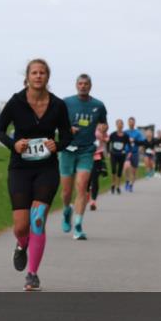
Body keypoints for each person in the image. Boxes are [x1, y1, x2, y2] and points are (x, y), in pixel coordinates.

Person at [0, 59, 73, 291]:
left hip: (46, 169)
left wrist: (56, 145)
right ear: (27, 76)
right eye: (34, 72)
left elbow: (68, 136)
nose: (38, 76)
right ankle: (21, 244)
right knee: (21, 226)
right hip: (20, 168)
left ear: (48, 77)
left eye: (42, 73)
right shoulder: (17, 102)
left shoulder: (58, 105)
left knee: (37, 220)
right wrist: (14, 144)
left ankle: (32, 274)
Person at [58, 74, 107, 240]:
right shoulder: (66, 103)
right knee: (66, 191)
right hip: (67, 150)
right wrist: (67, 129)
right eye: (80, 83)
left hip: (86, 151)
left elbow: (104, 123)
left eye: (86, 84)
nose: (83, 86)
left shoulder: (98, 105)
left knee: (82, 186)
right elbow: (56, 123)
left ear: (90, 86)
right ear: (76, 85)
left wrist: (103, 127)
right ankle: (66, 210)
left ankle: (78, 225)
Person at [106, 119, 132, 194]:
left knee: (119, 171)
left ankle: (118, 186)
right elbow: (108, 143)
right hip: (113, 154)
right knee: (114, 170)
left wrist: (129, 152)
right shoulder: (113, 134)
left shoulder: (126, 136)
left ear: (123, 125)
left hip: (122, 155)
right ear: (116, 125)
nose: (120, 125)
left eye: (121, 124)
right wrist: (108, 152)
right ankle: (113, 184)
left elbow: (129, 145)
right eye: (118, 124)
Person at [88, 122, 109, 210]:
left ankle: (93, 201)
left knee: (94, 179)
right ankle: (87, 196)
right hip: (87, 156)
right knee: (86, 180)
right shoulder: (90, 128)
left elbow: (107, 140)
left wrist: (103, 134)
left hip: (97, 156)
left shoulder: (103, 131)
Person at [123, 117, 145, 192]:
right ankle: (126, 181)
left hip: (135, 152)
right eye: (130, 122)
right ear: (128, 123)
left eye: (132, 122)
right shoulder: (125, 132)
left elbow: (142, 143)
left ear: (134, 123)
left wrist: (135, 142)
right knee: (126, 167)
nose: (131, 123)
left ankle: (131, 185)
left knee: (134, 171)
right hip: (126, 152)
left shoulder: (138, 133)